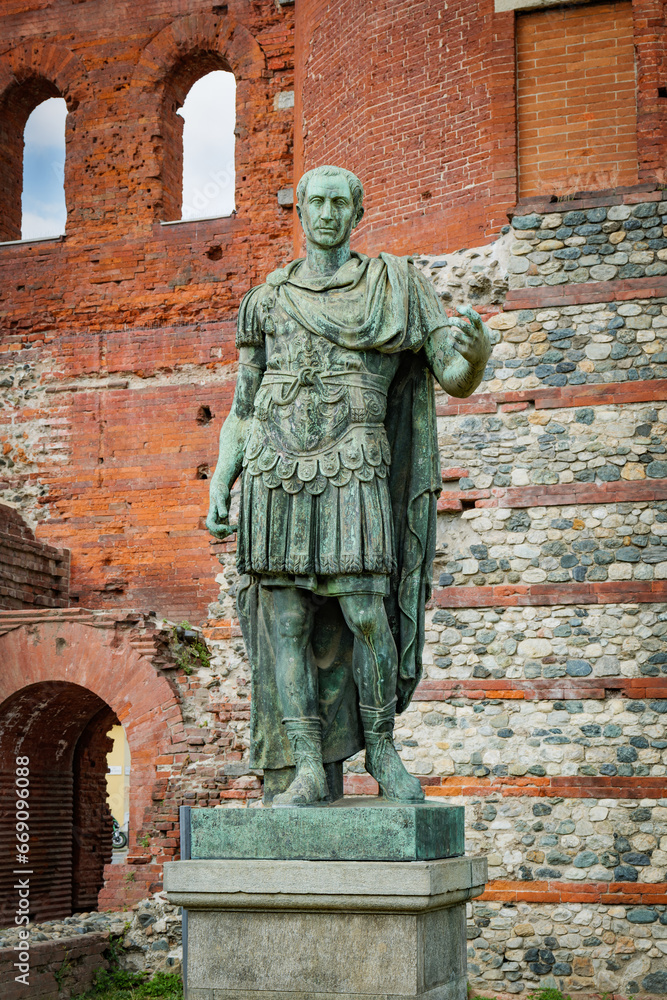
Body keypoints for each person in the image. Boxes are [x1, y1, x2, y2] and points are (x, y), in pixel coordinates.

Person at [206, 165, 490, 806]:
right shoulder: (265, 300)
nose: (328, 213)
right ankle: (308, 767)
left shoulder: (396, 288)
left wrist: (474, 355)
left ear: (356, 213)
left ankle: (383, 749)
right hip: (275, 469)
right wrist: (223, 480)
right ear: (300, 211)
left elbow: (451, 372)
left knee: (367, 614)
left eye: (340, 202)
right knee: (285, 624)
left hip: (356, 464)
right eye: (317, 202)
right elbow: (243, 405)